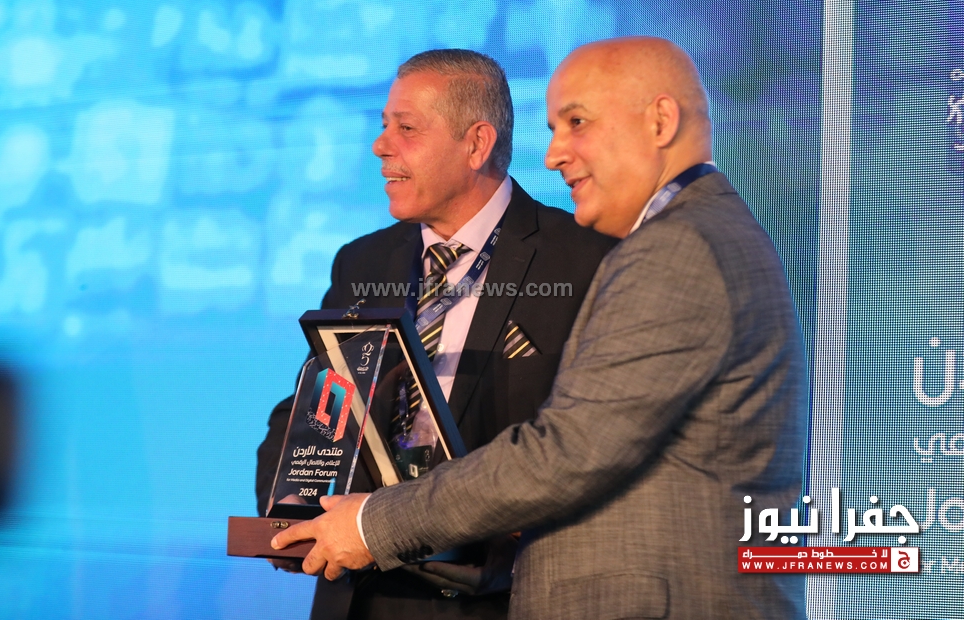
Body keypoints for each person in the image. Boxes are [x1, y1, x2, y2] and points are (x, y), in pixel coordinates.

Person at [271, 37, 810, 619]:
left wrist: (374, 525)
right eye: (554, 128)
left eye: (577, 123)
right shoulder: (700, 235)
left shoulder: (672, 250)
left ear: (660, 121)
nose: (553, 155)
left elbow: (568, 452)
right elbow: (317, 406)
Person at [255, 49, 617, 619]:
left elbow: (584, 451)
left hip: (495, 600)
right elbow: (316, 403)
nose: (381, 146)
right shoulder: (362, 261)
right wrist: (290, 511)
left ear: (476, 144)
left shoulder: (586, 259)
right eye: (383, 126)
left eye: (406, 129)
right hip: (361, 594)